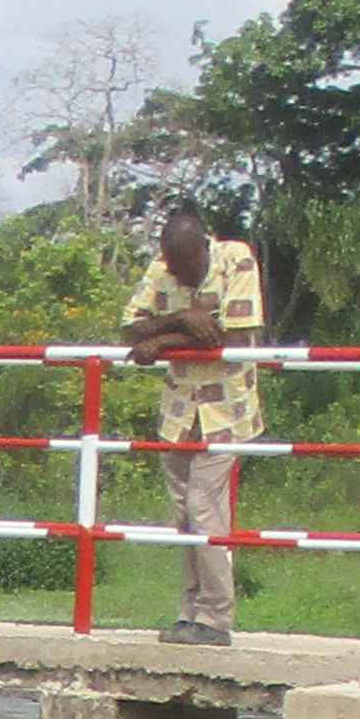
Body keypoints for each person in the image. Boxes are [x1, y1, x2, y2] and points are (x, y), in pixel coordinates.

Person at [117, 207, 267, 646]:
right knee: (184, 515)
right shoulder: (161, 269)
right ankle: (190, 613)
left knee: (205, 508)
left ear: (205, 247)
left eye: (188, 266)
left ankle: (216, 618)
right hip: (180, 412)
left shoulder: (236, 259)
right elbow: (130, 328)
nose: (180, 275)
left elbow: (236, 336)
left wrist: (161, 340)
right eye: (174, 266)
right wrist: (181, 321)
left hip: (226, 411)